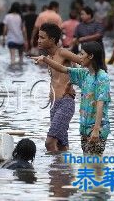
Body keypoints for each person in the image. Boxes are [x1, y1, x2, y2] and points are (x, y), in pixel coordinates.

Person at [33, 42, 111, 155]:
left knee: (95, 162)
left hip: (97, 128)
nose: (79, 57)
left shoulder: (102, 77)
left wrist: (96, 129)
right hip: (84, 126)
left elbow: (100, 103)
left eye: (82, 54)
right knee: (88, 162)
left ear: (91, 56)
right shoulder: (85, 74)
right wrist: (45, 59)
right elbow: (63, 69)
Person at [35, 23, 81, 152]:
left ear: (52, 40)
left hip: (66, 103)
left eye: (42, 37)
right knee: (61, 145)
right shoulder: (48, 57)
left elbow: (84, 62)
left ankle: (54, 171)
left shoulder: (63, 53)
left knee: (49, 143)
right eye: (38, 37)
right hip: (54, 105)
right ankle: (63, 171)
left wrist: (72, 84)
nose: (38, 40)